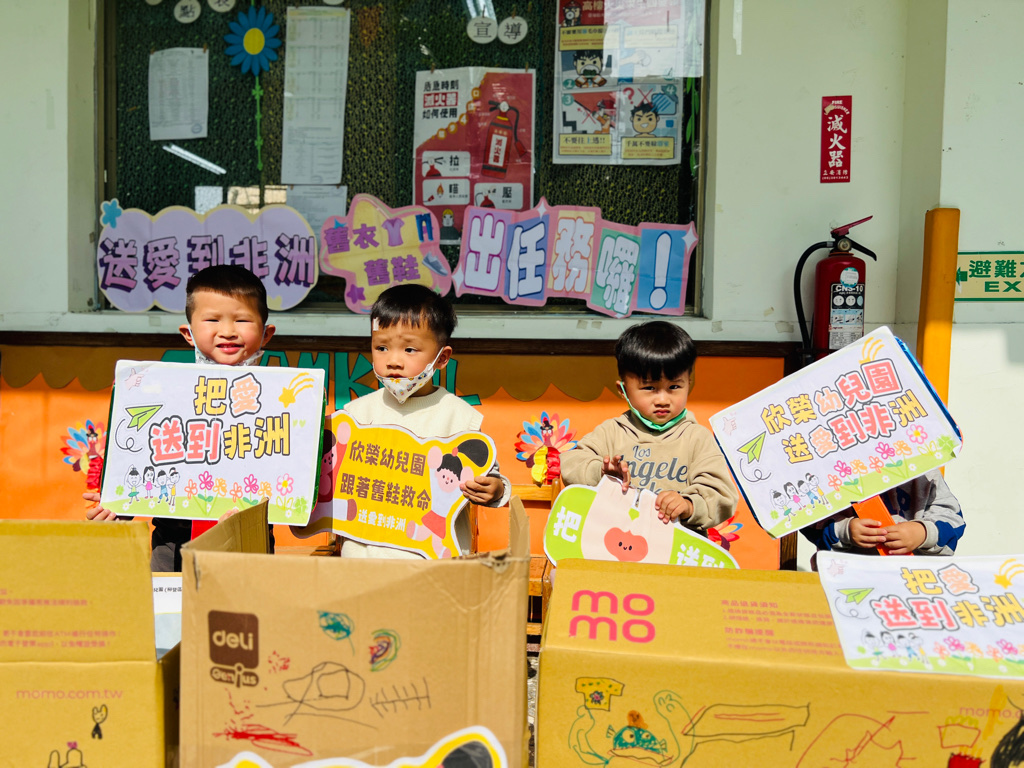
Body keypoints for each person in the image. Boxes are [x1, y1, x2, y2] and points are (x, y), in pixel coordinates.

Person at [84, 264, 276, 571]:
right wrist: (119, 505)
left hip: (249, 541)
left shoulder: (280, 401)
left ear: (267, 334)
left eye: (241, 320)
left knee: (245, 603)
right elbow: (138, 458)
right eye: (212, 320)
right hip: (172, 545)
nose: (228, 331)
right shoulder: (158, 393)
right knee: (170, 603)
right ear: (188, 333)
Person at [341, 283, 510, 559]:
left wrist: (495, 488)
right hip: (363, 560)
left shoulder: (460, 418)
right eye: (381, 347)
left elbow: (488, 475)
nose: (393, 361)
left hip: (434, 564)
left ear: (442, 358)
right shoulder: (355, 415)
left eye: (409, 349)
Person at [560, 321, 738, 533]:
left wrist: (688, 505)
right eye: (649, 388)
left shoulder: (697, 438)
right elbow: (571, 464)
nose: (662, 399)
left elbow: (722, 495)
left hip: (676, 549)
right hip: (614, 543)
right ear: (623, 390)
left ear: (689, 384)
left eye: (674, 387)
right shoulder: (611, 432)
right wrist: (599, 471)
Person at [800, 469, 965, 556]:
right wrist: (845, 530)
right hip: (850, 578)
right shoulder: (828, 475)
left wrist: (922, 532)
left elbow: (953, 519)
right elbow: (808, 520)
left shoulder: (925, 471)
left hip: (916, 580)